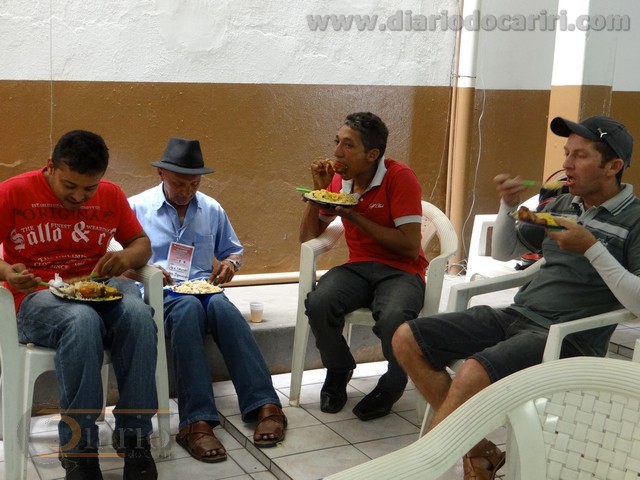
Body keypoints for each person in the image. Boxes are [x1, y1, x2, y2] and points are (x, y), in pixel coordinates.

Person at [392, 115, 640, 480]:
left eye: (580, 155)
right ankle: (480, 452)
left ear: (613, 166)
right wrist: (509, 206)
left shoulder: (634, 220)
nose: (567, 164)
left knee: (473, 371)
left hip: (567, 336)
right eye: (566, 153)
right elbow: (505, 251)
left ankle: (419, 468)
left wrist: (591, 247)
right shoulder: (563, 204)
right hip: (520, 314)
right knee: (407, 338)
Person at [0, 130, 159, 480]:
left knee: (137, 315)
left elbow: (141, 243)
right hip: (37, 296)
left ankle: (135, 438)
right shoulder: (13, 192)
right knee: (81, 320)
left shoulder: (111, 195)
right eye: (69, 185)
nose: (78, 196)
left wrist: (126, 257)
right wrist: (8, 272)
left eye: (89, 188)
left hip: (96, 288)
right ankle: (79, 450)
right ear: (50, 166)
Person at [129, 137, 287, 463]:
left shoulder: (211, 209)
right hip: (161, 292)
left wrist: (230, 265)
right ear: (161, 174)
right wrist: (145, 270)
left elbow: (234, 251)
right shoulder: (137, 208)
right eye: (178, 183)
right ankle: (195, 421)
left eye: (194, 183)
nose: (186, 191)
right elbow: (116, 258)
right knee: (187, 309)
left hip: (203, 287)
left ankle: (265, 403)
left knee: (223, 310)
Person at [299, 112, 428, 420]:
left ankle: (393, 383)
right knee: (319, 302)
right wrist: (317, 193)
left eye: (348, 145)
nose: (337, 153)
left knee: (394, 317)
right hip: (358, 267)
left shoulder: (400, 177)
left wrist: (353, 215)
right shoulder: (339, 180)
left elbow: (410, 246)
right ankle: (339, 368)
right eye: (337, 142)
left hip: (402, 270)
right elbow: (307, 238)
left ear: (372, 154)